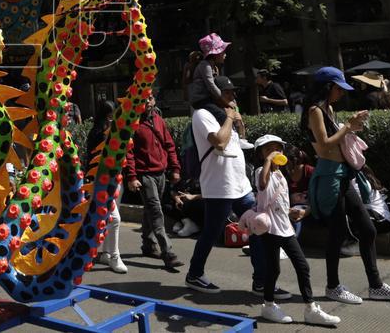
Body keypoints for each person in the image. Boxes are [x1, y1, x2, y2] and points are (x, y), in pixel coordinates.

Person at [301, 66, 390, 304]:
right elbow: (326, 144)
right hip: (329, 177)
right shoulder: (315, 111)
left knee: (367, 229)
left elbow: (338, 140)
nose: (342, 93)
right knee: (338, 233)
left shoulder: (328, 108)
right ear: (329, 87)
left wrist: (353, 128)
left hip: (343, 174)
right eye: (339, 88)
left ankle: (376, 286)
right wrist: (347, 127)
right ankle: (333, 286)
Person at [184, 76, 283, 298]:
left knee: (258, 227)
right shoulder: (202, 115)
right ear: (215, 94)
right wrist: (229, 117)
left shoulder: (222, 116)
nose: (233, 97)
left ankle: (261, 282)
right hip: (219, 187)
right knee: (211, 232)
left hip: (240, 185)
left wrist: (238, 123)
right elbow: (218, 141)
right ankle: (194, 273)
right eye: (228, 93)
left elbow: (237, 144)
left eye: (233, 93)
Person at [253, 135, 341, 326]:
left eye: (277, 149)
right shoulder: (261, 170)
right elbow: (262, 185)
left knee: (302, 266)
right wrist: (268, 161)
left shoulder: (280, 174)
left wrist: (291, 211)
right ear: (260, 154)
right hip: (269, 229)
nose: (274, 152)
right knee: (273, 269)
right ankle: (268, 305)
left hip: (284, 227)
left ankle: (311, 309)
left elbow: (279, 201)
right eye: (268, 150)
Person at [124, 94, 184, 269]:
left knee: (149, 210)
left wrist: (175, 168)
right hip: (145, 175)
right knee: (156, 212)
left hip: (161, 173)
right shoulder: (132, 123)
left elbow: (169, 145)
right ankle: (168, 252)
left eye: (150, 98)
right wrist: (132, 177)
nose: (147, 101)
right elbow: (129, 153)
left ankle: (148, 244)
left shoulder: (159, 120)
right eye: (143, 98)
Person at [86, 100, 127, 274]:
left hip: (115, 180)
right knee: (114, 219)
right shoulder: (97, 134)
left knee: (110, 218)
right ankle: (114, 257)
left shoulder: (111, 132)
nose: (112, 118)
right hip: (101, 182)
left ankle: (107, 254)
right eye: (110, 115)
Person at [188, 33, 234, 111]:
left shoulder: (214, 68)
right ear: (216, 54)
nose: (225, 55)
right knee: (222, 116)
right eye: (223, 52)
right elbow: (211, 85)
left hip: (208, 99)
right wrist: (225, 101)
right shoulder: (205, 65)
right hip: (201, 100)